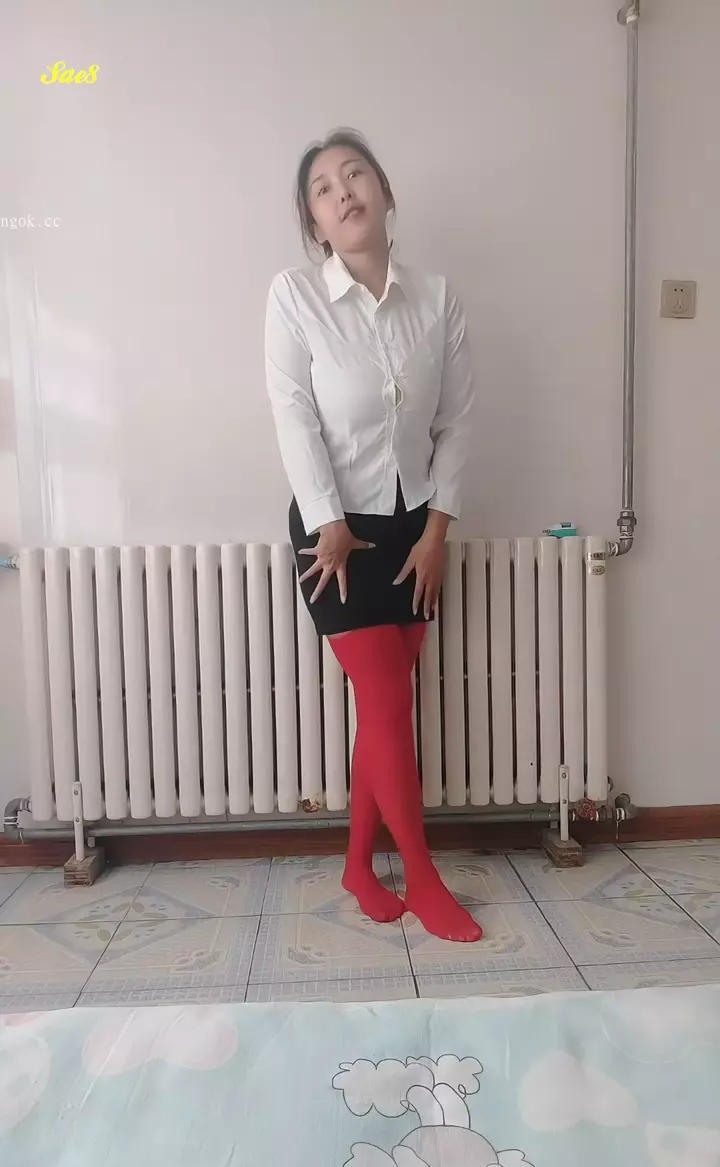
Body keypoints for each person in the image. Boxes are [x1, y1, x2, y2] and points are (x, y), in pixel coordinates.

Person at [264, 127, 482, 943]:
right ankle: (421, 877)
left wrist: (437, 532)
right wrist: (329, 521)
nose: (343, 192)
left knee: (384, 709)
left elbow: (457, 421)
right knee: (388, 701)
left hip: (413, 529)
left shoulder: (438, 298)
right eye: (323, 188)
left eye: (355, 175)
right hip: (334, 535)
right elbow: (293, 416)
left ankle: (359, 865)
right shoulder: (294, 295)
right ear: (314, 223)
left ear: (385, 191)